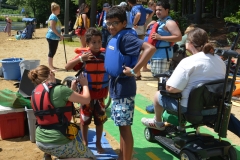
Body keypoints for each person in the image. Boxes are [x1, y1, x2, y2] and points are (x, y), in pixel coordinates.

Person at [141, 28, 226, 130]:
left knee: (158, 95)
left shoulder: (188, 61)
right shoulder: (219, 60)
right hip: (214, 109)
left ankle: (158, 122)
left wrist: (168, 82)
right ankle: (180, 125)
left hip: (189, 110)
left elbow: (171, 89)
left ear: (189, 43)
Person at [104, 6, 156, 160]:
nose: (111, 27)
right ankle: (122, 156)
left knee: (125, 129)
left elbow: (150, 48)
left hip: (124, 88)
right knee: (121, 127)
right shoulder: (116, 36)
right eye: (108, 23)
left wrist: (134, 70)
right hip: (117, 87)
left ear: (124, 22)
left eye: (115, 23)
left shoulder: (126, 38)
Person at [28, 65, 95, 160]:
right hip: (57, 141)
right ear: (51, 73)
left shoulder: (35, 92)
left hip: (40, 140)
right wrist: (85, 85)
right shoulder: (60, 89)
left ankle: (47, 155)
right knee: (90, 157)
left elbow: (57, 106)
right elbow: (87, 100)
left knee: (58, 148)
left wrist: (72, 90)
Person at [65, 28, 108, 154]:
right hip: (86, 96)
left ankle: (98, 143)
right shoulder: (83, 56)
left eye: (99, 42)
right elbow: (67, 67)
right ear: (88, 44)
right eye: (93, 42)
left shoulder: (105, 56)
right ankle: (85, 142)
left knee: (100, 121)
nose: (97, 45)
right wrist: (80, 59)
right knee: (84, 121)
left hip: (100, 96)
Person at [147, 0, 182, 77]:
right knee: (158, 79)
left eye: (160, 10)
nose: (157, 12)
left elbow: (178, 37)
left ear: (167, 10)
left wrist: (160, 37)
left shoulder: (169, 22)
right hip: (155, 55)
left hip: (162, 56)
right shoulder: (160, 22)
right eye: (156, 10)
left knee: (162, 81)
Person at [127, 0, 153, 80]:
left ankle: (137, 74)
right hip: (141, 30)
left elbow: (138, 14)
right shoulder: (141, 7)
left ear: (129, 2)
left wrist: (134, 24)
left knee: (135, 52)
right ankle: (137, 73)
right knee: (138, 51)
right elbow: (151, 11)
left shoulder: (135, 8)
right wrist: (147, 18)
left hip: (136, 30)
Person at [46, 2, 64, 71]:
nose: (59, 10)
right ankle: (50, 67)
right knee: (51, 51)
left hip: (54, 37)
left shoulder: (54, 16)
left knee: (53, 51)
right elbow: (53, 28)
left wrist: (59, 36)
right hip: (51, 37)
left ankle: (51, 65)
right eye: (59, 9)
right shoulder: (53, 17)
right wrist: (59, 35)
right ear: (55, 9)